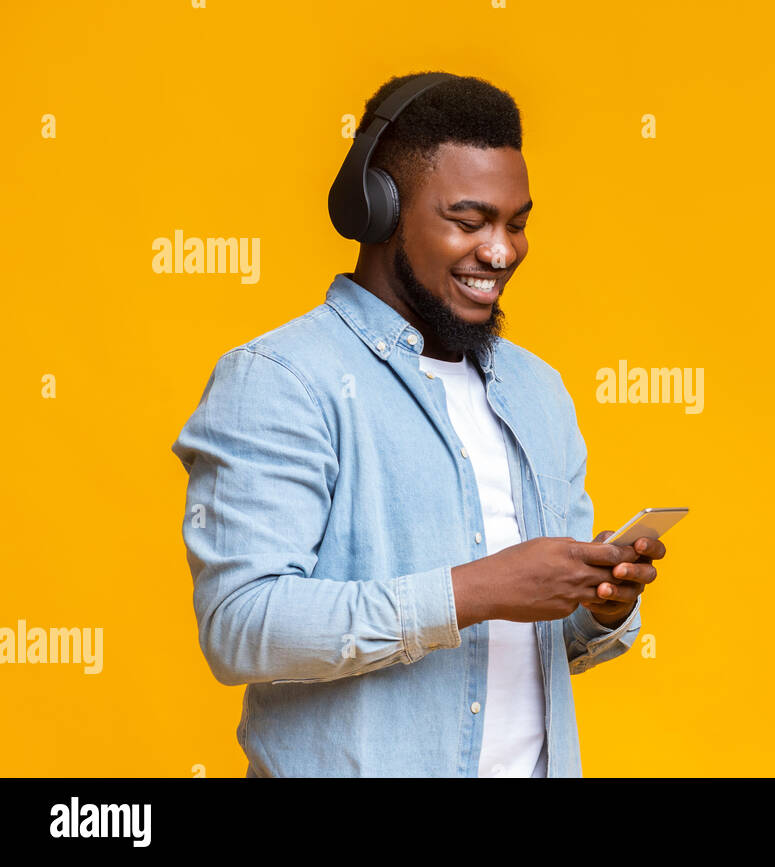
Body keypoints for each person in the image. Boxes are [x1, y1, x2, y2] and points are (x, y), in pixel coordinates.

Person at [170, 71, 667, 777]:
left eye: (516, 222)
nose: (501, 252)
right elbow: (241, 626)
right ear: (378, 209)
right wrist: (472, 590)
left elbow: (539, 649)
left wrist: (599, 605)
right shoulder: (283, 379)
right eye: (469, 221)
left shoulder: (539, 391)